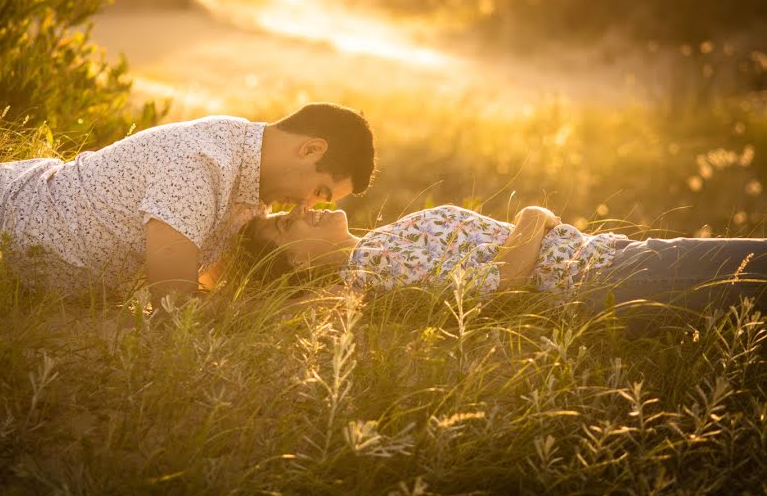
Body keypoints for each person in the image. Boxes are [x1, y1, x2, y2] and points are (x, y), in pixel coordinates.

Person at [0, 103, 376, 300]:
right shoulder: (205, 161)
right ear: (311, 149)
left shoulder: (249, 192)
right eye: (321, 191)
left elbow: (211, 274)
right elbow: (172, 295)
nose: (308, 206)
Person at [240, 204, 767, 321]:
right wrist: (534, 217)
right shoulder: (374, 266)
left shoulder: (377, 244)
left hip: (616, 264)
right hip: (611, 277)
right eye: (285, 225)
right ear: (302, 268)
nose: (301, 210)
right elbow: (502, 286)